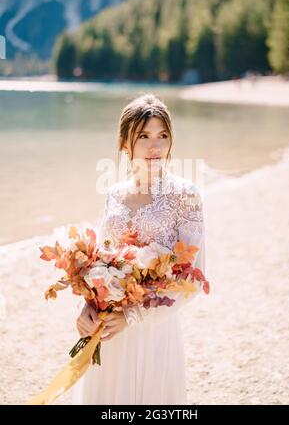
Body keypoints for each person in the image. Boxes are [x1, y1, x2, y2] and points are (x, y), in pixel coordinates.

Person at [71, 93, 206, 405]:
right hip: (107, 328)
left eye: (162, 136)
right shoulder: (114, 195)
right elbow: (99, 263)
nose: (154, 146)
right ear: (124, 143)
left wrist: (133, 317)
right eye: (143, 136)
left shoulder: (186, 196)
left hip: (154, 330)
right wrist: (87, 307)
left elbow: (194, 280)